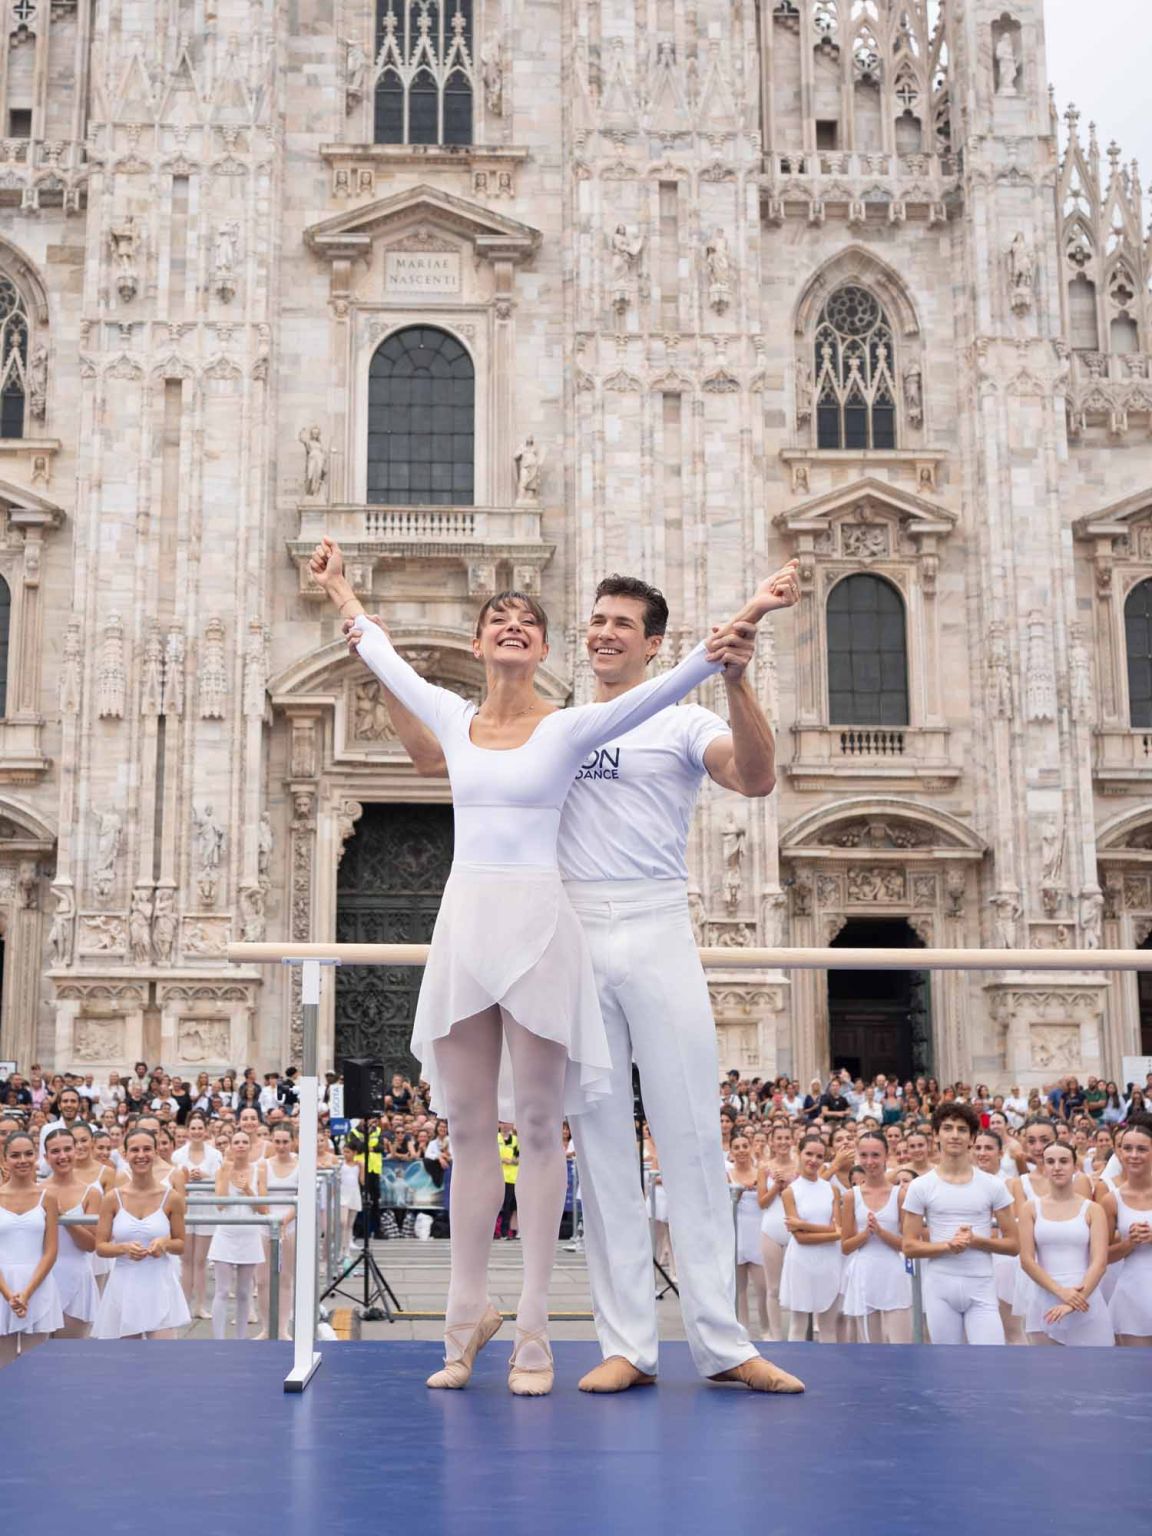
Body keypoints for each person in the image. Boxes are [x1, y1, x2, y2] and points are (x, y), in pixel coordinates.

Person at [314, 534, 800, 1397]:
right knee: (598, 1142)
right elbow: (437, 756)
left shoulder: (672, 720)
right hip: (562, 930)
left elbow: (756, 779)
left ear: (653, 642)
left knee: (690, 1132)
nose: (605, 633)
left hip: (653, 923)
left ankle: (723, 1343)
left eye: (623, 624)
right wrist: (366, 639)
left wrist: (735, 668)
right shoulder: (549, 721)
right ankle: (628, 1344)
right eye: (597, 621)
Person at [902, 1102, 1018, 1345]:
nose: (954, 1135)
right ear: (936, 1135)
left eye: (962, 1129)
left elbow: (1013, 1244)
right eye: (947, 1128)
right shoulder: (920, 1186)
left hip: (982, 1286)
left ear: (972, 1138)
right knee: (946, 1362)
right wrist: (948, 1246)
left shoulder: (993, 1185)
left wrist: (975, 1241)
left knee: (990, 1359)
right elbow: (909, 1246)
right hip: (940, 1288)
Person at [92, 1128, 190, 1340]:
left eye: (147, 1149)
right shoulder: (112, 1198)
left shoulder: (172, 1198)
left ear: (155, 1152)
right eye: (135, 1150)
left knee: (162, 1352)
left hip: (159, 1283)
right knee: (128, 1356)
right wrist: (123, 1248)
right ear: (125, 1155)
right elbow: (100, 1246)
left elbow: (181, 1243)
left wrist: (164, 1244)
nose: (141, 1155)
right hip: (124, 1284)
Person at [1018, 1141, 1111, 1347]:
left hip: (1085, 1297)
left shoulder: (1093, 1209)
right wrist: (1061, 1292)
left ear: (1075, 1167)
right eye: (1050, 1161)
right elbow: (1026, 1260)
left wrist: (1074, 1301)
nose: (1057, 1167)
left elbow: (1099, 1262)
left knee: (1093, 1366)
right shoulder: (1030, 1208)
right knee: (1046, 1366)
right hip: (1044, 1298)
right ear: (1044, 1167)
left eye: (1063, 1161)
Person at [840, 1129, 912, 1343]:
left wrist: (881, 1232)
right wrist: (866, 1234)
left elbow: (908, 1245)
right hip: (864, 1274)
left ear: (886, 1156)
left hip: (893, 1274)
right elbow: (846, 1246)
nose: (870, 1162)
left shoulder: (900, 1194)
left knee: (900, 1345)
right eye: (864, 1155)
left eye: (875, 1155)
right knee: (869, 1348)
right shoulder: (851, 1196)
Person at [0, 1130, 62, 1364]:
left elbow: (51, 1250)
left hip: (38, 1285)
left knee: (36, 1366)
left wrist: (27, 1293)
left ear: (36, 1156)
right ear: (5, 1159)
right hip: (2, 1287)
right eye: (15, 1155)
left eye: (28, 1154)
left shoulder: (48, 1197)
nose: (23, 1160)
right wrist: (8, 1294)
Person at [779, 1136, 842, 1343]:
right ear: (799, 1153)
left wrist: (803, 1224)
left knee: (828, 1325)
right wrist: (832, 1234)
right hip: (802, 1261)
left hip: (830, 1260)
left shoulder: (831, 1190)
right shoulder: (790, 1192)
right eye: (809, 1154)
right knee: (798, 1324)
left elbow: (838, 1229)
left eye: (819, 1156)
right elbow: (800, 1239)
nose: (813, 1160)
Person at [206, 1128, 267, 1341]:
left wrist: (248, 1190)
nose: (240, 1146)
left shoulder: (259, 1170)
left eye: (244, 1142)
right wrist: (226, 1172)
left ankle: (241, 1339)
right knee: (222, 1290)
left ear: (250, 1146)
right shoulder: (222, 1169)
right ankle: (219, 1340)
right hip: (226, 1234)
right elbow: (220, 1204)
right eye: (237, 1142)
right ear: (231, 1147)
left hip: (249, 1235)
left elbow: (264, 1209)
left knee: (244, 1292)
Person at [41, 1127, 100, 1338]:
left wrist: (64, 1218)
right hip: (42, 1276)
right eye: (55, 1151)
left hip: (77, 1276)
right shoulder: (37, 1190)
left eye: (67, 1149)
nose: (62, 1156)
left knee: (70, 1351)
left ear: (76, 1151)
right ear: (46, 1157)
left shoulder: (91, 1193)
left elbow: (91, 1244)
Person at [1101, 1118, 1152, 1346]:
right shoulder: (1111, 1200)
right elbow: (1101, 1256)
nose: (1133, 1155)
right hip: (1133, 1293)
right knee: (1136, 1364)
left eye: (1141, 1149)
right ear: (1119, 1152)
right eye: (1127, 1148)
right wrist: (1128, 1243)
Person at [171, 1109, 222, 1320]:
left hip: (207, 1210)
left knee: (200, 1261)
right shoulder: (178, 1155)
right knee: (186, 1261)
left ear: (206, 1130)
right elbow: (173, 1181)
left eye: (200, 1128)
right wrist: (186, 1178)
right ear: (187, 1130)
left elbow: (221, 1181)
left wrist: (205, 1175)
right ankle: (183, 1305)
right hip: (185, 1210)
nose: (197, 1132)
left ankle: (200, 1305)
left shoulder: (215, 1155)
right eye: (193, 1128)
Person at [757, 1121, 798, 1342]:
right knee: (773, 1287)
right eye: (778, 1138)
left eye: (786, 1138)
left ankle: (796, 1334)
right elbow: (762, 1202)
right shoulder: (764, 1168)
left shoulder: (800, 1167)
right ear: (772, 1142)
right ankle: (775, 1334)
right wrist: (776, 1186)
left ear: (792, 1141)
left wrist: (789, 1185)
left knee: (796, 1285)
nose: (783, 1142)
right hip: (771, 1229)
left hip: (794, 1231)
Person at [728, 1135, 769, 1339]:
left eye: (745, 1146)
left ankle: (766, 1328)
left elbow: (765, 1200)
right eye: (737, 1147)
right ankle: (742, 1329)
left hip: (757, 1234)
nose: (742, 1150)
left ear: (751, 1148)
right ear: (731, 1152)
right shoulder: (727, 1175)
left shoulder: (760, 1172)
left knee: (763, 1287)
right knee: (740, 1289)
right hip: (737, 1234)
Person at [265, 1123, 299, 1340]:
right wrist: (271, 1219)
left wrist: (285, 1221)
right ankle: (267, 1327)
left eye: (285, 1141)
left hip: (290, 1224)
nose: (281, 1146)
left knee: (285, 1277)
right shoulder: (264, 1165)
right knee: (264, 1280)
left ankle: (283, 1327)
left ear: (293, 1141)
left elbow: (302, 1197)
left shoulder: (300, 1166)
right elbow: (260, 1194)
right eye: (277, 1141)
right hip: (266, 1224)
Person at [497, 1123, 519, 1240]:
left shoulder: (515, 1140)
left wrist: (511, 1161)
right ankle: (493, 1231)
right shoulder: (495, 1138)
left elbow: (518, 1157)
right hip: (496, 1176)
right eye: (502, 1123)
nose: (505, 1126)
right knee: (494, 1205)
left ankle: (505, 1231)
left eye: (507, 1123)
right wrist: (501, 1159)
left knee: (508, 1206)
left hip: (511, 1178)